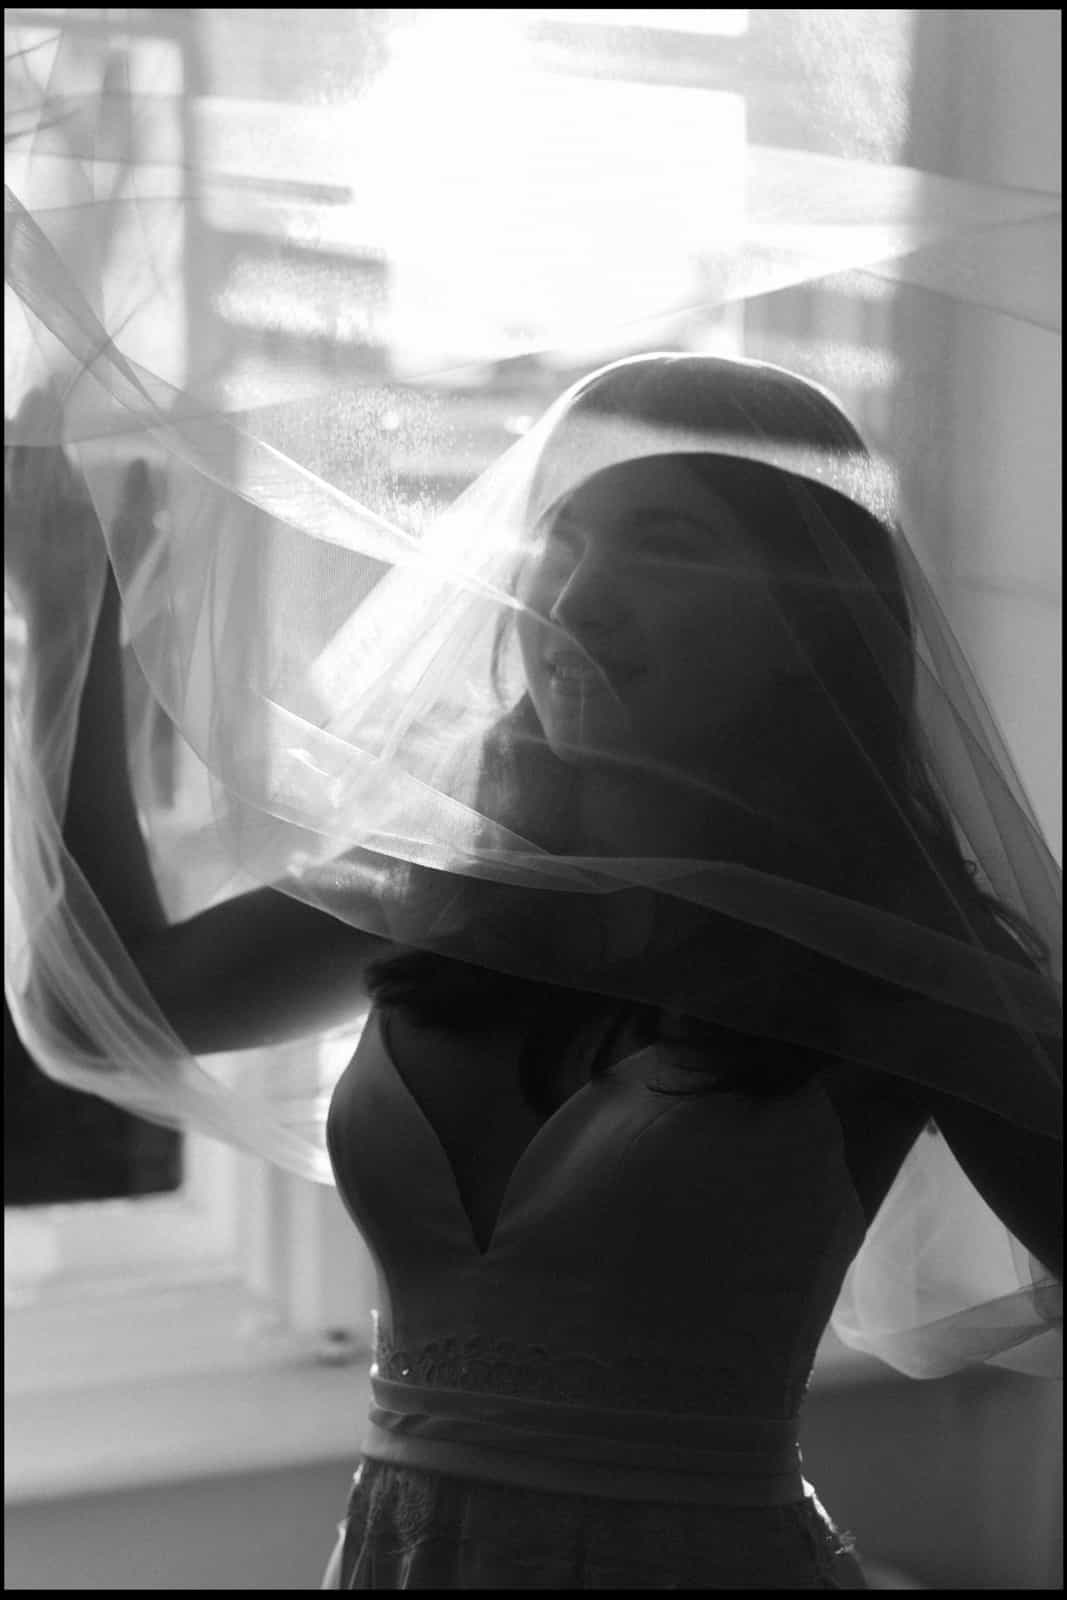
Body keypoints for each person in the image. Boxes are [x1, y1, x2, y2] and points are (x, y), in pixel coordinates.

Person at [5, 352, 1061, 1589]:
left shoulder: (897, 957)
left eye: (662, 546)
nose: (574, 598)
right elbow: (105, 1007)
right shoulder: (448, 892)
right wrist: (70, 606)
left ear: (805, 621)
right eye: (556, 546)